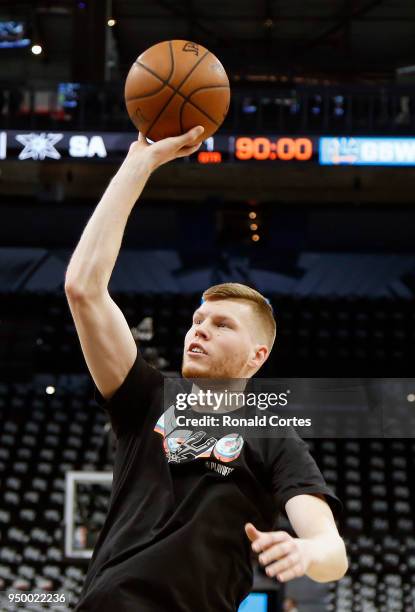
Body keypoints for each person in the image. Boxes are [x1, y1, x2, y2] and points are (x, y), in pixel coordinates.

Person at [65, 126, 348, 612]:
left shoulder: (273, 437)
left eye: (221, 325)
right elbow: (83, 288)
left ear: (258, 356)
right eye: (197, 321)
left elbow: (332, 552)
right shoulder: (146, 397)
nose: (199, 330)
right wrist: (139, 163)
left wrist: (307, 550)